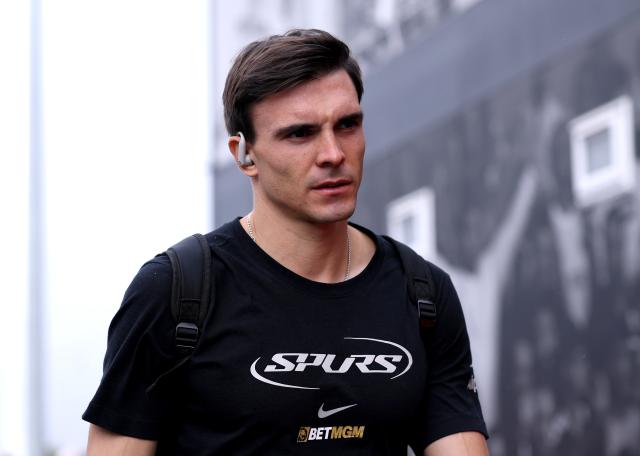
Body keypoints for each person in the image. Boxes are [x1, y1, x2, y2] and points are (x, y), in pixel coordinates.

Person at [83, 29, 489, 455]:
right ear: (244, 155)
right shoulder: (173, 293)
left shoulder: (421, 293)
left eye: (347, 125)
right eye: (300, 134)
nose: (333, 153)